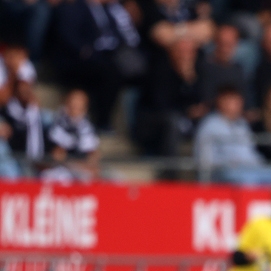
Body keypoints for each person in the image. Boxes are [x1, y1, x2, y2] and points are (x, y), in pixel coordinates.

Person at [50, 0, 144, 130]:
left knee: (138, 70)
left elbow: (119, 35)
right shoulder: (75, 7)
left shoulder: (109, 10)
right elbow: (67, 35)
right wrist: (84, 51)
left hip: (107, 57)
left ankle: (136, 123)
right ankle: (102, 121)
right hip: (79, 60)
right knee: (111, 72)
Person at [194, 85, 271, 184]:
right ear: (220, 101)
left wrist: (260, 165)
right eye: (232, 100)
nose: (238, 104)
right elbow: (204, 160)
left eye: (239, 100)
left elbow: (250, 153)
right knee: (247, 180)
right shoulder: (209, 125)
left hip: (249, 169)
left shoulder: (242, 124)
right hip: (223, 173)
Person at [134, 37, 208, 155]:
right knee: (173, 121)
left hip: (185, 119)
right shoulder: (159, 70)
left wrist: (189, 80)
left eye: (188, 52)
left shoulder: (197, 72)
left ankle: (205, 169)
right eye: (180, 51)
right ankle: (170, 169)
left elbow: (201, 101)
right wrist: (187, 110)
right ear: (171, 52)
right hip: (152, 123)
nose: (184, 56)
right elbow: (161, 104)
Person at [46, 88, 101, 180]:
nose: (75, 110)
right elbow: (58, 156)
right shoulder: (57, 125)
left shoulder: (87, 127)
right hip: (60, 169)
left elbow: (93, 154)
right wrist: (78, 166)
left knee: (112, 179)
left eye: (80, 108)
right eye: (73, 106)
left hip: (82, 169)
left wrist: (91, 163)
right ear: (66, 105)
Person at [200, 23, 247, 107]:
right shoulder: (204, 67)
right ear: (215, 42)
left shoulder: (238, 69)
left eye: (229, 44)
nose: (225, 49)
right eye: (222, 43)